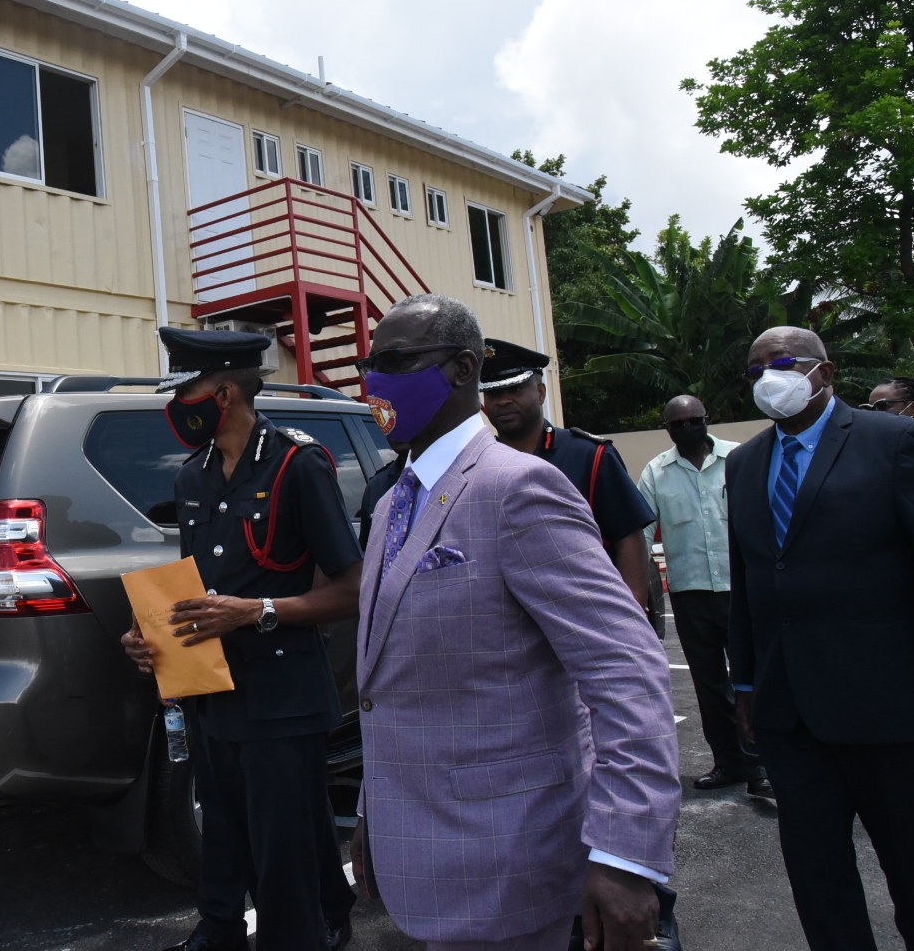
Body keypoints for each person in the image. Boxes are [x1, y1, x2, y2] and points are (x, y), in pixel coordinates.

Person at [350, 294, 680, 951]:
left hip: (514, 856)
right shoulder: (391, 504)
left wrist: (624, 854)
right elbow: (387, 681)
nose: (375, 380)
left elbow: (625, 671)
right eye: (370, 363)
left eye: (396, 361)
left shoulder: (518, 488)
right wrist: (372, 811)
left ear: (462, 368)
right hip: (423, 846)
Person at [121, 326, 362, 951]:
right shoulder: (192, 478)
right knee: (227, 827)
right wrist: (148, 635)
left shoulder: (296, 464)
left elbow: (354, 588)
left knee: (282, 838)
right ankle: (224, 927)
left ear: (224, 392)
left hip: (283, 692)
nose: (177, 405)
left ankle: (296, 935)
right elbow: (191, 586)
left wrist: (256, 611)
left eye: (187, 390)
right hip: (212, 689)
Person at [727, 327, 914, 951]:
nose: (767, 378)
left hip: (889, 708)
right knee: (818, 877)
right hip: (789, 714)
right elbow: (749, 578)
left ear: (825, 371)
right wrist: (746, 682)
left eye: (781, 364)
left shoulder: (894, 442)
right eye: (755, 370)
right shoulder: (744, 462)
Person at [637, 397, 770, 797]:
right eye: (678, 423)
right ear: (667, 428)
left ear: (707, 421)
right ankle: (729, 763)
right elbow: (642, 532)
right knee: (709, 686)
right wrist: (639, 592)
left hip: (740, 589)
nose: (688, 429)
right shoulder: (656, 473)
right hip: (690, 594)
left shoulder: (739, 459)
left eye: (695, 421)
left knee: (752, 679)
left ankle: (763, 766)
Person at [481, 339, 656, 614]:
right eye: (493, 393)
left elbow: (628, 537)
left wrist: (630, 614)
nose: (503, 401)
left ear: (540, 392)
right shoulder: (479, 465)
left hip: (588, 613)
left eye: (515, 389)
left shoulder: (589, 456)